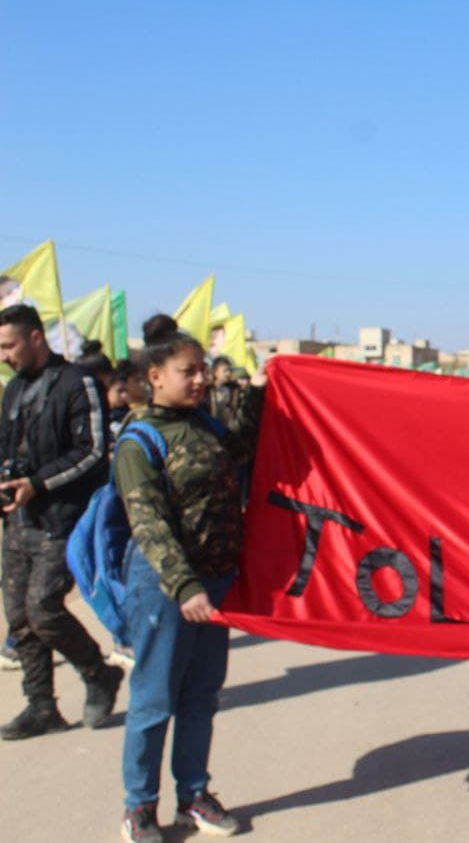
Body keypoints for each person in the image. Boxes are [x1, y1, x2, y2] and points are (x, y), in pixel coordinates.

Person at [116, 315, 265, 841]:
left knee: (201, 696)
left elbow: (242, 449)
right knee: (155, 701)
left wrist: (259, 393)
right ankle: (139, 806)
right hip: (167, 588)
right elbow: (149, 524)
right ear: (155, 375)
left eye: (203, 369)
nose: (201, 379)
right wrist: (185, 587)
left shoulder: (204, 425)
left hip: (214, 583)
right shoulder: (140, 440)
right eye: (189, 371)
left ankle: (194, 795)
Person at [0, 304, 123, 739]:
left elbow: (92, 452)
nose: (4, 356)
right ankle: (41, 706)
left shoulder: (78, 383)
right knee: (19, 617)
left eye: (9, 345)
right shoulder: (14, 389)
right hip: (19, 520)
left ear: (35, 338)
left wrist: (38, 483)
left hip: (62, 518)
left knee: (44, 610)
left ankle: (98, 673)